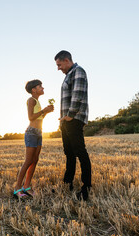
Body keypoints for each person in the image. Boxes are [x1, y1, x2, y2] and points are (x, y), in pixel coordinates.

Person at [54, 50, 92, 200]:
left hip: (74, 119)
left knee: (80, 152)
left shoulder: (78, 72)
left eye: (59, 64)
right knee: (69, 153)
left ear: (66, 60)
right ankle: (67, 183)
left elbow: (78, 94)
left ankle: (86, 188)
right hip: (67, 121)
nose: (58, 68)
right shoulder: (69, 75)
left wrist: (69, 116)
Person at [13, 79, 54, 199]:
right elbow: (31, 117)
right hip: (31, 133)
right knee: (28, 161)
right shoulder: (31, 100)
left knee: (35, 160)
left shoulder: (37, 101)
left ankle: (27, 187)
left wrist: (46, 112)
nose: (43, 88)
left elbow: (39, 118)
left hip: (39, 133)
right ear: (33, 90)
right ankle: (17, 189)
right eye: (40, 86)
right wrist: (43, 110)